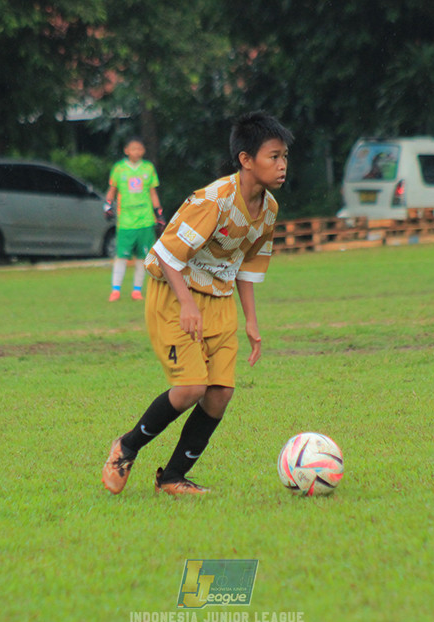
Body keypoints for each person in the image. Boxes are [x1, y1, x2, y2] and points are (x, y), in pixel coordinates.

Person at [102, 111, 293, 496]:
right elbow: (167, 255)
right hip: (175, 294)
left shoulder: (268, 209)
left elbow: (248, 266)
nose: (282, 165)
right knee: (191, 386)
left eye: (284, 156)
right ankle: (126, 446)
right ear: (246, 159)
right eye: (273, 156)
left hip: (219, 299)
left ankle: (172, 477)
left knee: (220, 392)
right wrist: (187, 304)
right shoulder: (215, 201)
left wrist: (252, 321)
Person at [105, 138, 165, 302]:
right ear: (126, 150)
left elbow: (153, 192)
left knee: (143, 257)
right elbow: (112, 190)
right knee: (121, 256)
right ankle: (115, 290)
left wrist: (158, 213)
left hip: (145, 219)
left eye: (139, 149)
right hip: (125, 220)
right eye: (133, 149)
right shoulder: (119, 168)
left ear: (143, 151)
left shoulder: (148, 168)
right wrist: (108, 205)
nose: (136, 152)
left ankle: (136, 290)